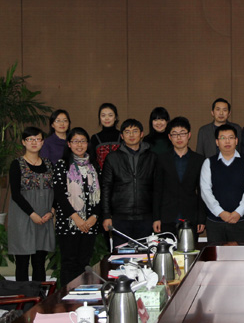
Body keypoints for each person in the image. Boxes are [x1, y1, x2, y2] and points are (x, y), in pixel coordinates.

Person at [52, 127, 101, 286]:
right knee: (69, 263)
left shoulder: (94, 166)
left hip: (89, 224)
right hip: (69, 223)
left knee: (84, 263)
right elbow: (59, 196)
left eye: (83, 141)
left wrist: (94, 217)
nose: (79, 145)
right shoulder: (62, 165)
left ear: (88, 144)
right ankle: (68, 296)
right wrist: (76, 218)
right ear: (69, 144)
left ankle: (83, 296)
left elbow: (100, 194)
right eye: (75, 141)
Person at [8, 127, 55, 281]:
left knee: (39, 262)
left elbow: (56, 190)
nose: (34, 142)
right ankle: (23, 296)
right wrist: (32, 214)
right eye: (30, 139)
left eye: (38, 139)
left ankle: (39, 295)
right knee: (22, 263)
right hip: (23, 217)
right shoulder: (17, 164)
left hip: (44, 218)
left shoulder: (48, 164)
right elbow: (16, 194)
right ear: (23, 142)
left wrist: (52, 211)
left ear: (42, 142)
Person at [101, 119, 158, 245]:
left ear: (141, 134)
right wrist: (106, 215)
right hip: (120, 217)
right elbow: (106, 188)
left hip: (145, 217)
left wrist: (157, 217)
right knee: (121, 254)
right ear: (122, 136)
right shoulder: (112, 158)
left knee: (143, 253)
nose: (131, 135)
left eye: (135, 131)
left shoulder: (152, 157)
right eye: (127, 132)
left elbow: (157, 188)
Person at [201, 125, 244, 243]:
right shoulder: (208, 162)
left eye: (231, 137)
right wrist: (220, 212)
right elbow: (205, 191)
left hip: (241, 220)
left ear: (236, 141)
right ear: (217, 142)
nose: (227, 141)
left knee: (241, 254)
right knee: (215, 254)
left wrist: (238, 212)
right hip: (215, 222)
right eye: (223, 138)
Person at [153, 117, 205, 238]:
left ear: (189, 135)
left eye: (182, 133)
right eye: (175, 134)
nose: (179, 138)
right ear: (169, 137)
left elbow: (202, 192)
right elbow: (157, 190)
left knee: (190, 249)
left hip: (191, 216)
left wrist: (201, 219)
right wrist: (156, 218)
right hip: (167, 217)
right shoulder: (162, 159)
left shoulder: (199, 160)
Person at [88, 103, 121, 170]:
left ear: (115, 117)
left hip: (121, 175)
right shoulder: (95, 138)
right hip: (101, 175)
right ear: (99, 118)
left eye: (110, 115)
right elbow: (92, 160)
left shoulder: (122, 135)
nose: (106, 118)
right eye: (103, 115)